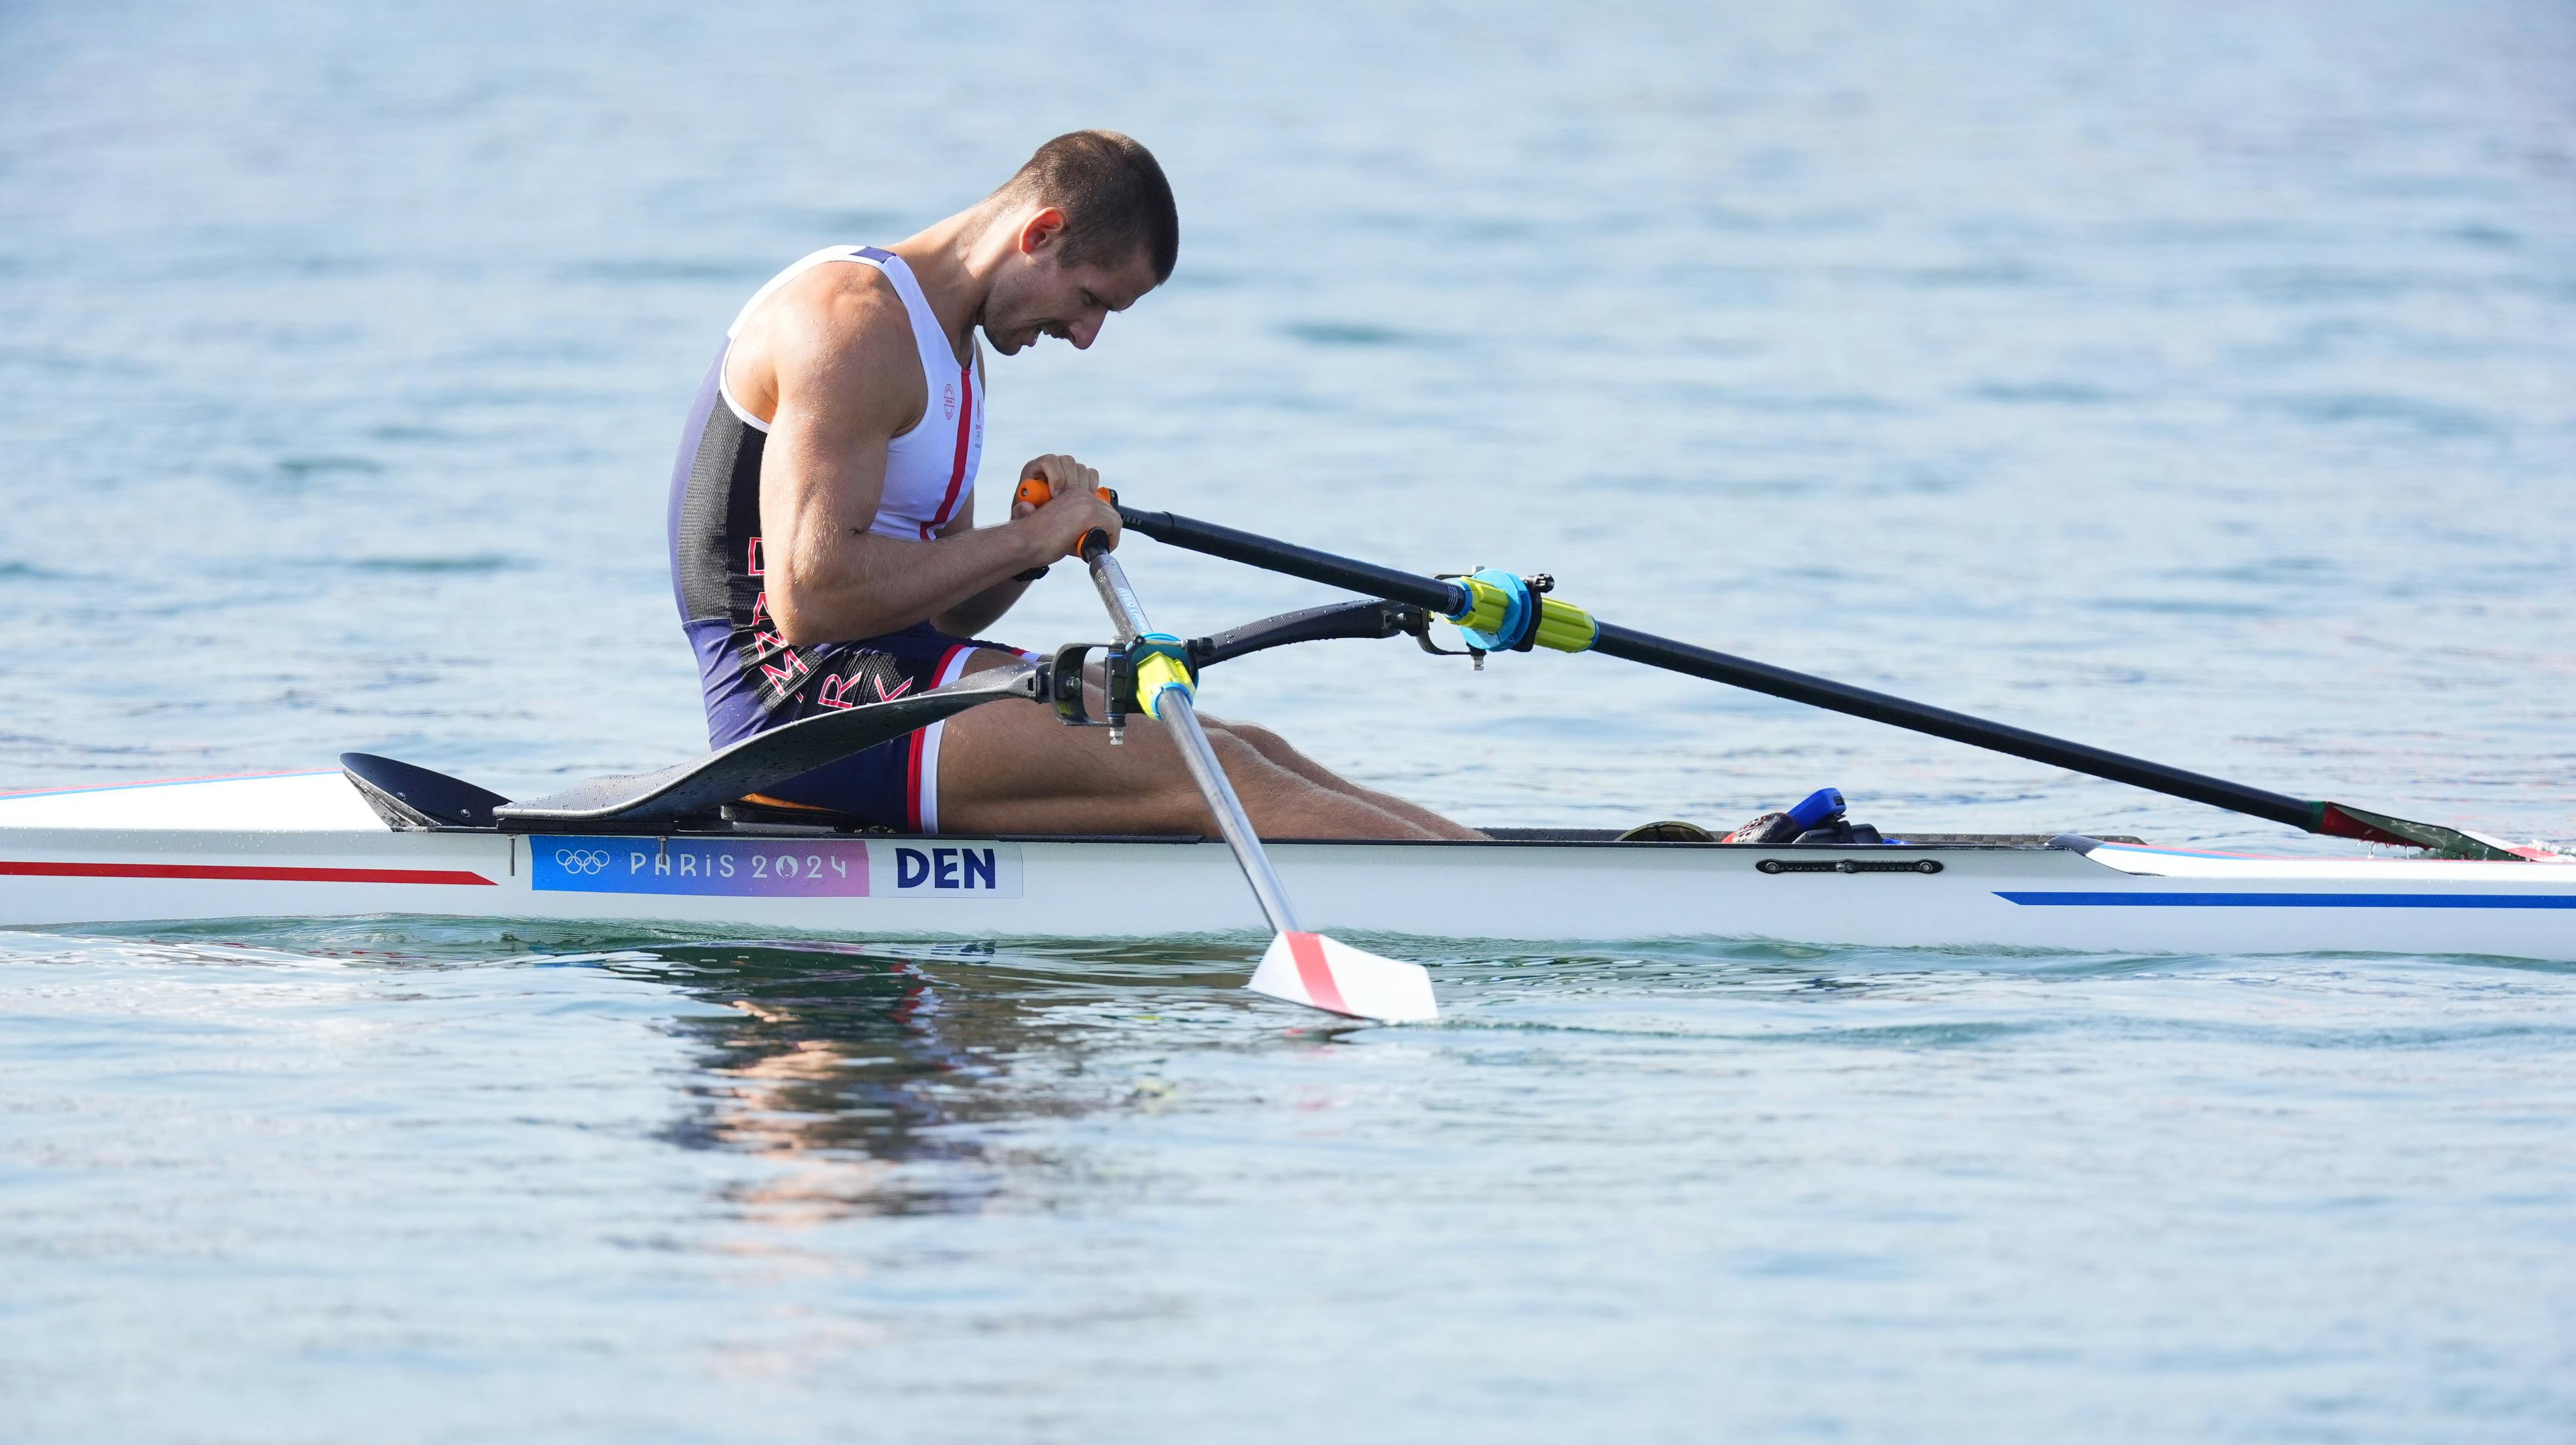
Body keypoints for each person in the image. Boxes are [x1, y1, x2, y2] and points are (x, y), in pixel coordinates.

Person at [667, 130, 1478, 840]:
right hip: (793, 709)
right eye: (1089, 300)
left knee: (1245, 748)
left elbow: (941, 615)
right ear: (1042, 233)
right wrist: (1026, 539)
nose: (1085, 337)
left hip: (883, 670)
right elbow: (812, 599)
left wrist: (1028, 542)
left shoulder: (955, 350)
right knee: (1215, 777)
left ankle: (1493, 874)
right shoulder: (851, 321)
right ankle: (1499, 907)